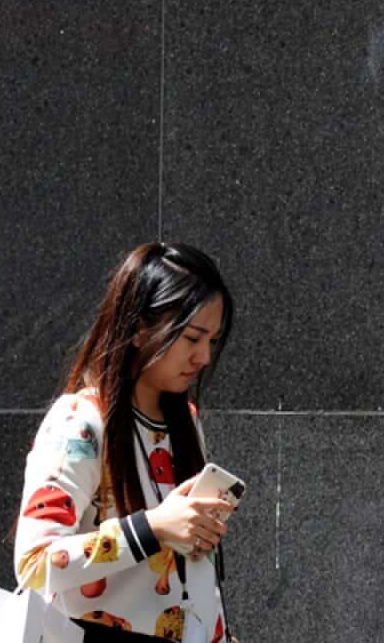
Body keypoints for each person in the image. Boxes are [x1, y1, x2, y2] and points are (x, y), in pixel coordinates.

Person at [13, 242, 238, 642]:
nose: (203, 356)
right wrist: (152, 528)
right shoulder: (80, 423)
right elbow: (34, 562)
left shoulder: (184, 422)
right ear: (138, 328)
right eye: (192, 338)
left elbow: (189, 575)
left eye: (213, 341)